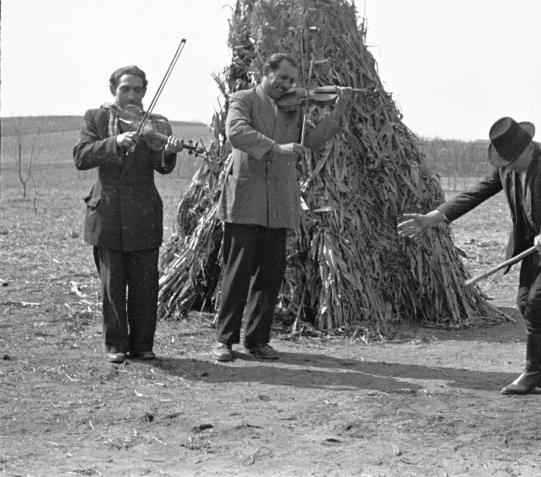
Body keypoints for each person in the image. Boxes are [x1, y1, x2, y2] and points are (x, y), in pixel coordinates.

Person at [398, 117, 541, 395]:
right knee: (527, 305)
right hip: (533, 248)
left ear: (528, 149)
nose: (508, 168)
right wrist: (433, 217)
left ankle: (534, 373)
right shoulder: (508, 168)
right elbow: (475, 193)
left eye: (512, 160)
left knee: (538, 304)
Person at [211, 53, 353, 362]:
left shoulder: (293, 108)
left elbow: (313, 141)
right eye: (283, 79)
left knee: (271, 275)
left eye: (292, 81)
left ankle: (257, 340)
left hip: (279, 202)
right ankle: (225, 341)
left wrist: (338, 108)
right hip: (245, 199)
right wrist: (276, 147)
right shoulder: (244, 98)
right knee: (237, 272)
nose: (288, 85)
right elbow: (235, 132)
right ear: (267, 73)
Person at [73, 65, 184, 364]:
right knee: (112, 285)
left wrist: (169, 151)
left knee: (145, 285)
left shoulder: (157, 124)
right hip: (106, 212)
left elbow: (162, 165)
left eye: (137, 89)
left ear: (146, 92)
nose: (132, 94)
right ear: (113, 90)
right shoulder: (95, 118)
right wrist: (114, 142)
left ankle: (143, 346)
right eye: (125, 89)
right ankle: (115, 346)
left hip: (143, 213)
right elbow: (81, 156)